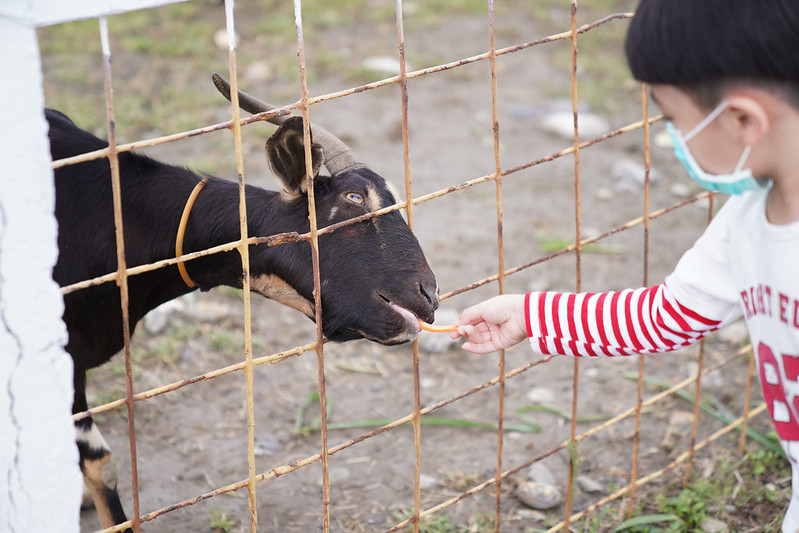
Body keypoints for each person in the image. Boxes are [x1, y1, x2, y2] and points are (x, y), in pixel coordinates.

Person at [450, 0, 799, 530]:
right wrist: (531, 315)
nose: (673, 138)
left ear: (742, 120)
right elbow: (670, 314)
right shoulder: (746, 219)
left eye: (672, 119)